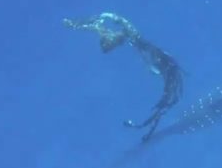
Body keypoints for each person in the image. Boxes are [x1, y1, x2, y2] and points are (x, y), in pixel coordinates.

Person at [63, 12, 184, 142]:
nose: (110, 46)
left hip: (161, 61)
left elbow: (131, 36)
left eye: (109, 44)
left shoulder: (128, 35)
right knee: (168, 96)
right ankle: (149, 126)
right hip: (161, 61)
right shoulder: (129, 37)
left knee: (168, 96)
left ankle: (149, 126)